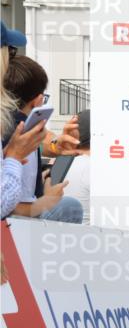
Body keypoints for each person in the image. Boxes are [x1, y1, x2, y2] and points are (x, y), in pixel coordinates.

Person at [3, 53, 83, 222]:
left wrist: (55, 146)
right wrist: (47, 201)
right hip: (15, 230)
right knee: (70, 207)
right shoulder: (20, 136)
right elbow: (10, 207)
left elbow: (44, 141)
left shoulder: (10, 127)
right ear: (38, 100)